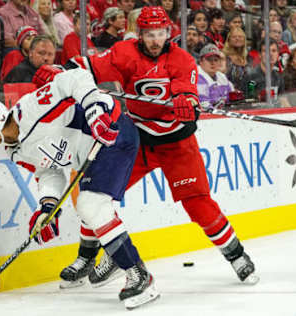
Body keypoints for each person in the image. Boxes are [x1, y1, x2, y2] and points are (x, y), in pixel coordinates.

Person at [60, 5, 258, 288]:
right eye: (149, 34)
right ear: (140, 33)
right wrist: (60, 73)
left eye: (160, 33)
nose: (155, 40)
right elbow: (88, 66)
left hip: (176, 143)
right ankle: (87, 257)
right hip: (137, 141)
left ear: (169, 33)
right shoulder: (124, 51)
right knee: (96, 194)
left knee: (198, 204)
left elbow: (187, 94)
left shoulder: (181, 59)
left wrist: (186, 104)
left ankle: (237, 256)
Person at [0, 66, 160, 310]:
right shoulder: (16, 152)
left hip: (112, 132)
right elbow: (49, 172)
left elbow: (74, 77)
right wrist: (48, 207)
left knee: (91, 205)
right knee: (88, 207)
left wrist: (94, 110)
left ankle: (139, 274)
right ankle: (113, 257)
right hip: (91, 152)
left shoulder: (30, 108)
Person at [223, 27, 249, 92]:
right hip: (231, 95)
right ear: (229, 40)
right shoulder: (224, 58)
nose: (237, 38)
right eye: (234, 37)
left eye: (240, 36)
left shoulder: (248, 58)